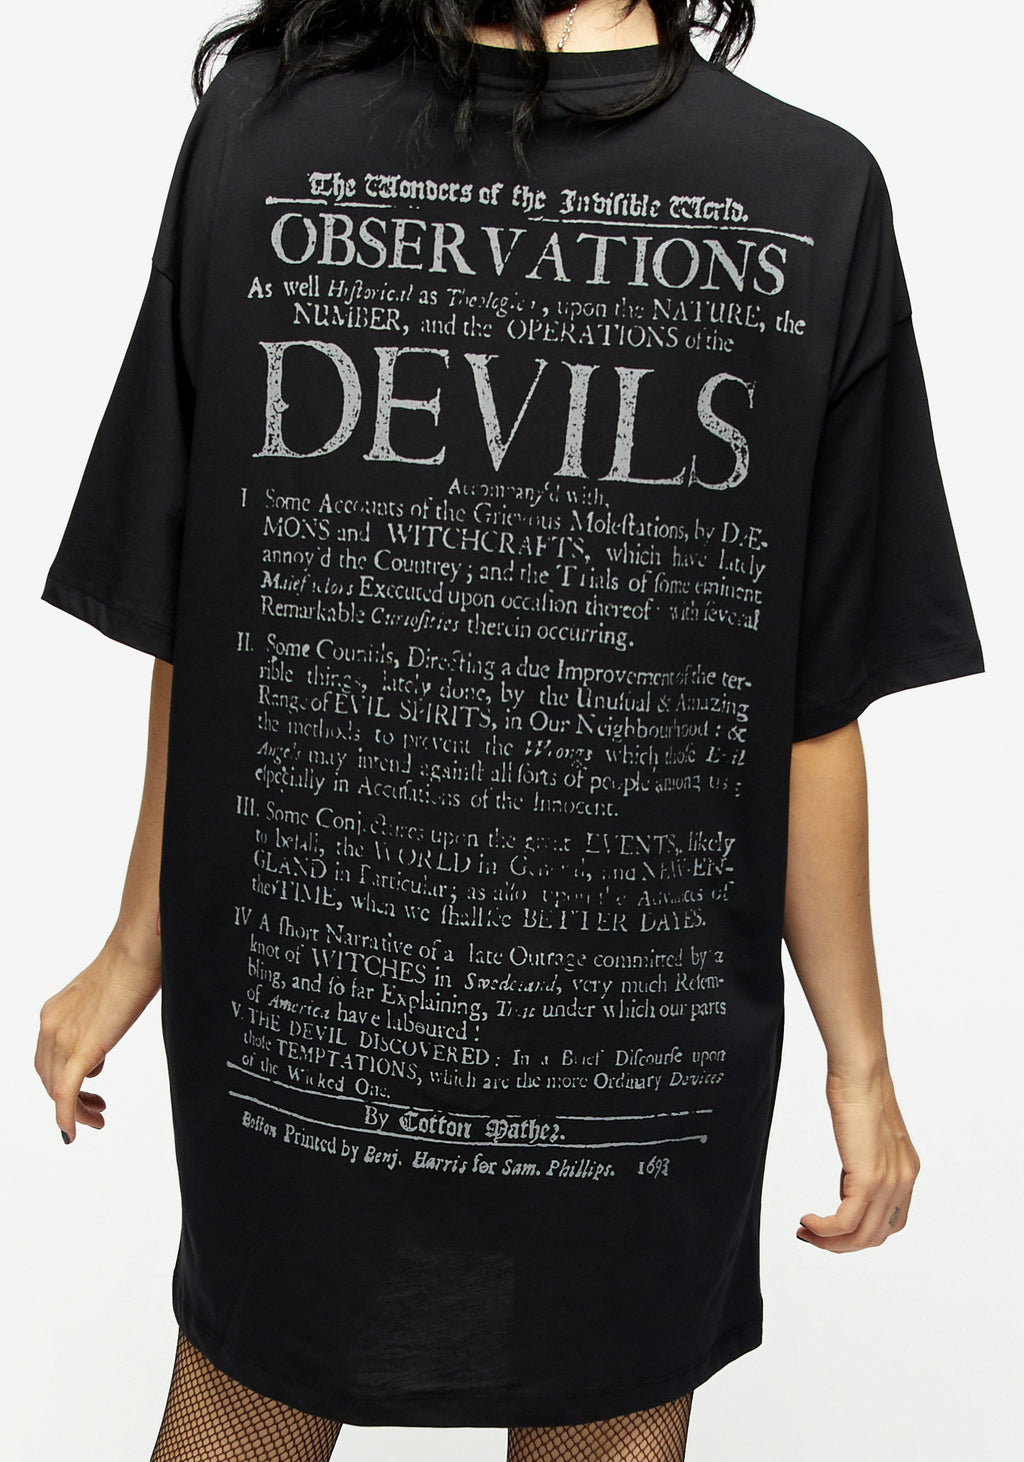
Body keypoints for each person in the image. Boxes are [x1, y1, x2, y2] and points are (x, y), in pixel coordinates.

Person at [34, 2, 985, 1459]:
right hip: (416, 1021)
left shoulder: (815, 194)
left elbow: (802, 703)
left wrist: (860, 1056)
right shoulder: (268, 138)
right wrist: (134, 941)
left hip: (488, 1025)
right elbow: (220, 602)